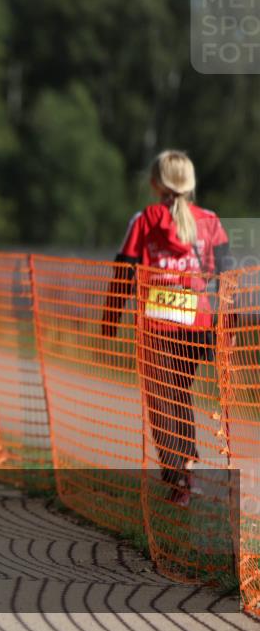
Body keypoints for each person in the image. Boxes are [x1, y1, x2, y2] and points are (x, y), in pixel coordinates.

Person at [103, 150, 231, 506]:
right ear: (190, 183)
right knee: (179, 395)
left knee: (161, 403)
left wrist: (110, 320)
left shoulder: (144, 220)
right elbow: (228, 279)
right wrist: (228, 328)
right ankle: (186, 471)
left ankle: (178, 482)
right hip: (197, 327)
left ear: (155, 183)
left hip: (157, 328)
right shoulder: (210, 221)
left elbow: (123, 273)